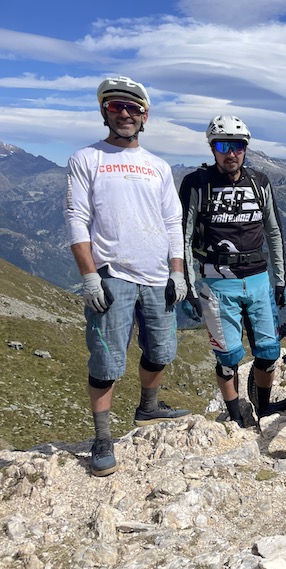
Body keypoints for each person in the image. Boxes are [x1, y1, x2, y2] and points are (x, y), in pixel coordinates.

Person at [65, 76, 190, 477]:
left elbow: (173, 221)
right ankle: (102, 438)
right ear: (104, 110)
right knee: (105, 361)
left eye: (133, 108)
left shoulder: (158, 166)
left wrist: (178, 272)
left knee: (161, 351)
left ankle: (148, 407)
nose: (124, 114)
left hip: (157, 276)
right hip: (111, 274)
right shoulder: (86, 158)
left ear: (145, 116)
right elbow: (77, 220)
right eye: (116, 106)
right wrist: (89, 276)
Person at [179, 115, 286, 428]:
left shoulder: (260, 182)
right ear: (213, 148)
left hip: (257, 279)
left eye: (237, 146)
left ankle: (263, 410)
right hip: (216, 282)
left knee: (268, 353)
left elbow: (274, 231)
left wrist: (280, 280)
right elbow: (183, 237)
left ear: (245, 148)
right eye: (223, 146)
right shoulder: (196, 184)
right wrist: (187, 286)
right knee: (228, 359)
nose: (231, 153)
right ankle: (236, 415)